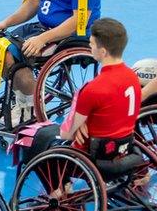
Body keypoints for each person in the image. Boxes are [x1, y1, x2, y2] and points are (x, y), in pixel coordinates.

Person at [59, 18, 141, 150]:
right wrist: (85, 121)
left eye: (91, 43)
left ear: (103, 51)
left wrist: (79, 124)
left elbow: (65, 134)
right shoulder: (133, 77)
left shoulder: (93, 88)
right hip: (125, 146)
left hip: (91, 151)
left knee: (43, 137)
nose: (89, 46)